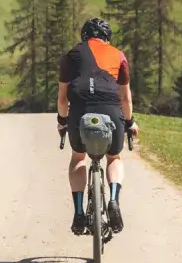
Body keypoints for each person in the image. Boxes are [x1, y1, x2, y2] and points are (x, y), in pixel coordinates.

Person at [56, 17, 139, 235]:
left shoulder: (71, 55)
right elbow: (125, 98)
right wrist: (130, 122)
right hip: (110, 109)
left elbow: (63, 98)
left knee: (78, 157)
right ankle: (113, 199)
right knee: (114, 157)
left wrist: (62, 121)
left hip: (80, 109)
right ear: (107, 37)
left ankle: (78, 213)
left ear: (84, 36)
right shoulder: (118, 55)